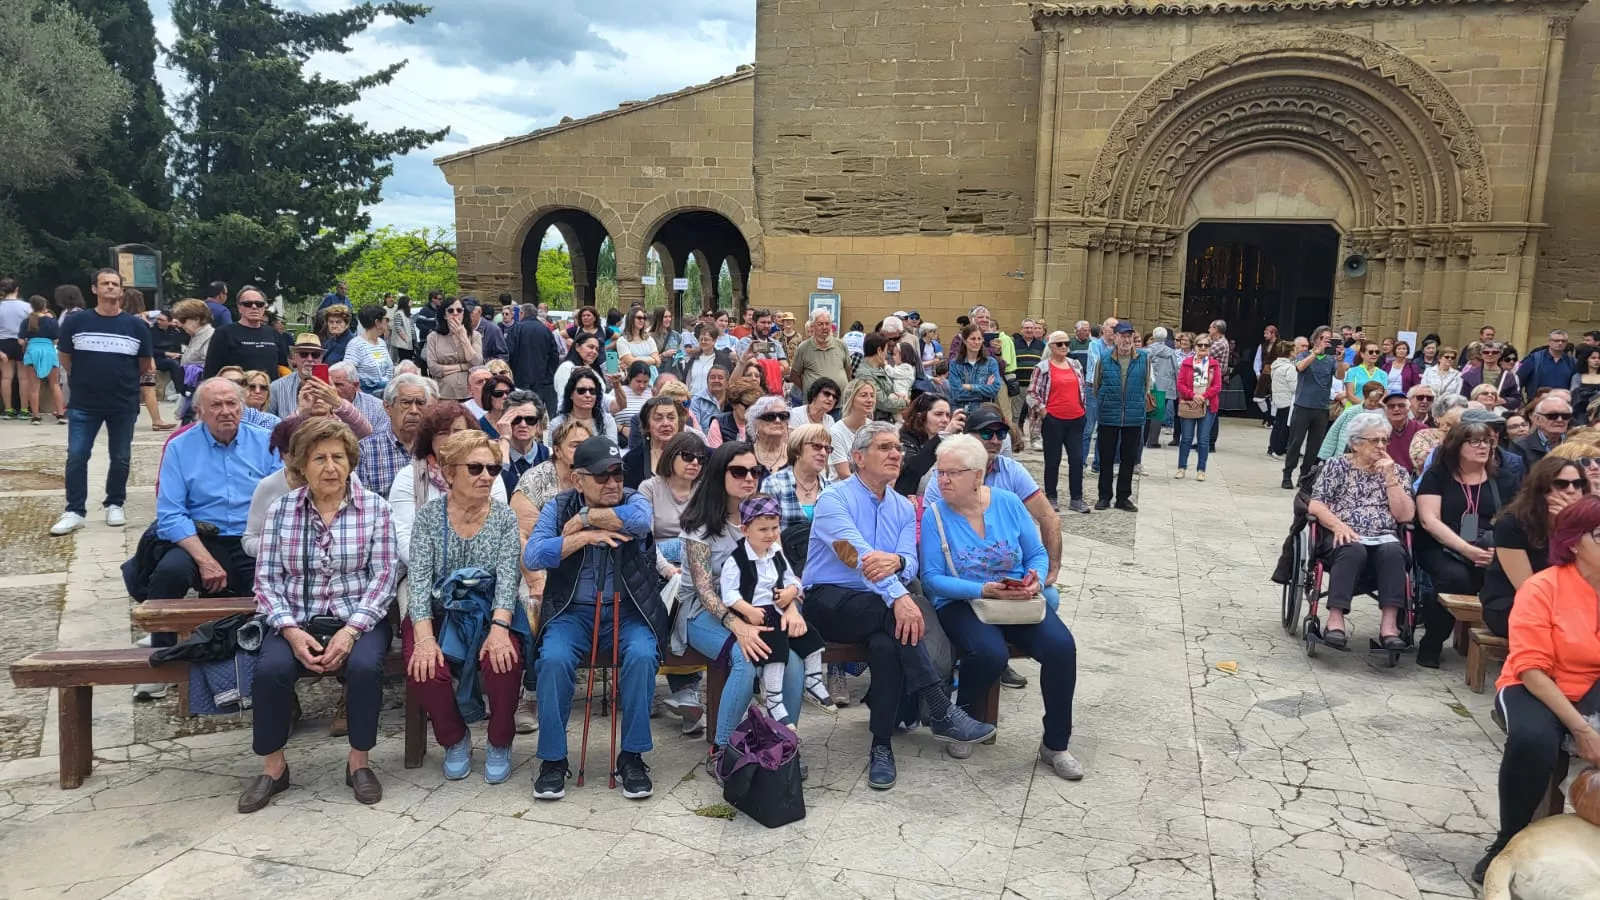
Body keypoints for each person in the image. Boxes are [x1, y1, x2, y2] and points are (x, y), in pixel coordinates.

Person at [803, 422, 995, 789]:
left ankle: (881, 745)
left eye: (897, 448)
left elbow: (910, 560)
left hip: (880, 606)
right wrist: (901, 596)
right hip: (829, 600)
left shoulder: (903, 508)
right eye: (884, 447)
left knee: (887, 643)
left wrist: (899, 567)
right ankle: (940, 708)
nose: (896, 454)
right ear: (858, 458)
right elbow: (858, 558)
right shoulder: (834, 500)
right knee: (895, 614)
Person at [241, 419, 398, 812]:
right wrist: (291, 632)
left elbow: (384, 576)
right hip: (296, 617)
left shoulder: (375, 508)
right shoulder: (281, 511)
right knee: (271, 670)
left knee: (364, 668)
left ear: (350, 462)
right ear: (301, 467)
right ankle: (274, 768)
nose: (330, 467)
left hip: (358, 619)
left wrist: (351, 631)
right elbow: (266, 580)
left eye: (338, 458)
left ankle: (359, 762)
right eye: (319, 459)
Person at [919, 435, 1082, 776]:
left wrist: (1034, 577)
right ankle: (961, 718)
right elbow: (933, 579)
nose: (943, 479)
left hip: (1017, 600)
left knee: (1062, 648)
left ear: (977, 476)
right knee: (990, 652)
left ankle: (1056, 744)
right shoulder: (934, 515)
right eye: (940, 472)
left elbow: (1035, 553)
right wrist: (984, 589)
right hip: (962, 600)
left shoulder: (1008, 502)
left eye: (952, 473)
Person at [525, 435, 667, 801]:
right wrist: (582, 539)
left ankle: (632, 756)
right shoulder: (558, 506)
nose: (613, 483)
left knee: (641, 655)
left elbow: (640, 520)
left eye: (618, 473)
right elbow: (535, 555)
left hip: (629, 610)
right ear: (578, 480)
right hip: (573, 612)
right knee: (553, 660)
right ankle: (553, 760)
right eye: (602, 476)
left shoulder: (633, 499)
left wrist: (587, 517)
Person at [1473, 495, 1600, 884]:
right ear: (1575, 542)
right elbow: (1531, 669)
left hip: (1594, 684)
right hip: (1536, 684)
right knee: (1532, 740)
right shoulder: (1543, 587)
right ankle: (1507, 839)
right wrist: (1581, 728)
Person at [403, 429, 527, 785]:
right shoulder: (429, 516)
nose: (486, 476)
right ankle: (454, 738)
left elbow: (507, 579)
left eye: (493, 469)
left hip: (490, 609)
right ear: (448, 472)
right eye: (475, 468)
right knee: (423, 667)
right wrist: (425, 638)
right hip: (440, 610)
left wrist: (500, 629)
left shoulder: (503, 517)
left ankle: (500, 740)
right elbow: (420, 582)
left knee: (504, 660)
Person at [51, 270, 156, 536]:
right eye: (104, 283)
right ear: (94, 289)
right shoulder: (77, 322)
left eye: (115, 284)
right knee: (77, 455)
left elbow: (143, 362)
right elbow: (65, 357)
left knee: (120, 457)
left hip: (122, 401)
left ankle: (115, 503)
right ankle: (74, 510)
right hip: (84, 402)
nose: (110, 287)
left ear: (121, 290)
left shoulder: (136, 326)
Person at [1306, 412, 1416, 649]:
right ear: (1355, 444)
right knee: (1352, 549)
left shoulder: (1398, 472)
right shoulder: (1336, 466)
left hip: (1383, 535)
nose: (1381, 446)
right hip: (1342, 533)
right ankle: (1335, 619)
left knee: (1394, 553)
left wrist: (1390, 479)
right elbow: (1316, 504)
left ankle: (1389, 625)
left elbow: (1405, 516)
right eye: (1374, 440)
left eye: (1384, 440)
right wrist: (1338, 525)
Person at [1415, 420, 1521, 667]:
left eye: (1486, 441)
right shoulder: (1438, 475)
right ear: (1456, 446)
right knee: (1455, 578)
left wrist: (1500, 548)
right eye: (1474, 441)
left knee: (1509, 576)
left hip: (1489, 545)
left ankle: (1505, 643)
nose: (1482, 446)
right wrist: (1467, 550)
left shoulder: (1503, 478)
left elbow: (1514, 519)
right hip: (1440, 545)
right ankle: (1432, 642)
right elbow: (1429, 520)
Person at [718, 494, 832, 722]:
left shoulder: (776, 553)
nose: (770, 534)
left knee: (810, 636)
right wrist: (747, 609)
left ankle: (814, 679)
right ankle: (773, 698)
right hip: (756, 614)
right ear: (745, 529)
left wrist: (791, 591)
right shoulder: (737, 560)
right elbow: (728, 593)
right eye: (763, 529)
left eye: (774, 528)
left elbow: (793, 579)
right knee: (777, 649)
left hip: (779, 609)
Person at [391, 401, 509, 567]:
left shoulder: (488, 472)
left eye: (458, 431)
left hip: (480, 570)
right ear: (429, 438)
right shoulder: (408, 477)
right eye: (443, 432)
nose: (451, 438)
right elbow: (403, 537)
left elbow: (497, 530)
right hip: (423, 571)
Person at [1482, 456, 1586, 639]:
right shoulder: (1512, 524)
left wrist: (1573, 524)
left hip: (1570, 602)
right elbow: (1528, 588)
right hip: (1514, 603)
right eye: (1561, 484)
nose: (1572, 491)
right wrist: (1564, 529)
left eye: (1578, 484)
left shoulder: (1588, 525)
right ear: (1542, 489)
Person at [1092, 323, 1150, 511]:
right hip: (1109, 414)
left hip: (1133, 416)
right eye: (1122, 336)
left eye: (1129, 336)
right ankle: (1104, 496)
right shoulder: (1105, 358)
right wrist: (1105, 402)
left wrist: (1138, 403)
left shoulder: (1143, 358)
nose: (1126, 340)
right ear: (1114, 337)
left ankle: (1123, 497)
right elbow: (1096, 385)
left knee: (1128, 458)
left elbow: (1146, 384)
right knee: (1106, 458)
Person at [1028, 331, 1089, 512]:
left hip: (1076, 418)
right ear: (1051, 346)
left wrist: (1083, 409)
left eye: (1066, 344)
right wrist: (1043, 411)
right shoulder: (1042, 367)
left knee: (1077, 460)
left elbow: (1082, 387)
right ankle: (1052, 497)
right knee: (1052, 460)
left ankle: (1076, 498)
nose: (1064, 347)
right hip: (1053, 420)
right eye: (1059, 344)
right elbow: (1032, 392)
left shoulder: (1075, 365)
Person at [353, 374, 435, 499]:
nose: (414, 410)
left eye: (420, 403)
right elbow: (362, 503)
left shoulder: (434, 447)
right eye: (406, 403)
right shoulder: (365, 450)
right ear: (387, 408)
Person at [1282, 326, 1340, 489]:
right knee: (1295, 442)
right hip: (1303, 405)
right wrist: (1316, 352)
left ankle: (1305, 475)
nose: (1326, 342)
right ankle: (1287, 474)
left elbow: (1340, 375)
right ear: (1315, 340)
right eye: (1323, 338)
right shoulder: (1304, 354)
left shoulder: (1331, 360)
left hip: (1321, 407)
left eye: (1329, 339)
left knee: (1314, 445)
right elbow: (1300, 367)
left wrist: (1341, 360)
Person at [204, 287, 286, 379]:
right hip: (236, 390)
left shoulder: (273, 333)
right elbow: (211, 371)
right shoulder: (224, 333)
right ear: (239, 307)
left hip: (267, 390)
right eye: (248, 304)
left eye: (259, 304)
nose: (254, 307)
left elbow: (283, 366)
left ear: (264, 307)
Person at [1175, 332, 1224, 481]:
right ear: (1194, 346)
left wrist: (1203, 396)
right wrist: (1193, 395)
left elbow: (1217, 386)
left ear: (1210, 347)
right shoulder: (1187, 363)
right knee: (1186, 438)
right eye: (1200, 345)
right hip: (1189, 403)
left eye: (1206, 345)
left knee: (1203, 439)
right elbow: (1180, 383)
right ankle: (1181, 467)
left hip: (1207, 405)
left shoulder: (1214, 365)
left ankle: (1201, 469)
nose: (1203, 347)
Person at [896, 393, 962, 499]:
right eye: (938, 414)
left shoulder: (951, 442)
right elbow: (913, 470)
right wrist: (942, 436)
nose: (945, 420)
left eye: (947, 415)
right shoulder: (904, 438)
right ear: (920, 416)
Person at [423, 296, 484, 401]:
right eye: (451, 310)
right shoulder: (433, 337)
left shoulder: (475, 336)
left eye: (459, 310)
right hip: (444, 395)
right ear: (445, 315)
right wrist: (463, 367)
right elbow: (433, 368)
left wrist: (463, 338)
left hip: (470, 394)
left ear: (463, 313)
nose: (455, 313)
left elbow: (477, 364)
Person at [505, 304, 561, 412]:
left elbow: (509, 353)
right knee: (537, 412)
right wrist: (549, 375)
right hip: (542, 380)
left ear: (522, 313)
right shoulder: (546, 331)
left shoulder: (516, 329)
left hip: (520, 380)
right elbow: (554, 355)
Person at [622, 396, 686, 489]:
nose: (666, 423)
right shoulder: (632, 459)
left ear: (679, 423)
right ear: (647, 425)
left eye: (671, 417)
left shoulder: (693, 453)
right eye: (658, 418)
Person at [19, 294, 63, 426]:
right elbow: (57, 339)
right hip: (49, 351)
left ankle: (36, 417)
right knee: (54, 384)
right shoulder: (52, 321)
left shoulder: (26, 321)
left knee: (34, 386)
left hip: (32, 351)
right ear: (45, 306)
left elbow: (21, 340)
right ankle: (60, 414)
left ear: (31, 307)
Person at [1319, 381, 1389, 462]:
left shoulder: (1384, 413)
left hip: (1375, 454)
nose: (1373, 404)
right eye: (1370, 400)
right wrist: (1326, 455)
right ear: (1364, 396)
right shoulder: (1352, 411)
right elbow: (1334, 432)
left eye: (1376, 401)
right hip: (1349, 453)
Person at [789, 307, 851, 395]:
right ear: (813, 326)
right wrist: (808, 391)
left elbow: (848, 370)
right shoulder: (803, 348)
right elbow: (794, 376)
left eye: (827, 324)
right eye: (820, 324)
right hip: (814, 404)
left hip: (839, 404)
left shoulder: (841, 345)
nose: (824, 327)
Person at [551, 366, 619, 443]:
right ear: (570, 394)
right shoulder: (557, 423)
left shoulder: (607, 421)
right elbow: (555, 453)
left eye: (592, 391)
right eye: (581, 390)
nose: (588, 395)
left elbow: (613, 451)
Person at [828, 378, 878, 480]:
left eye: (872, 396)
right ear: (851, 398)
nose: (869, 400)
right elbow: (844, 474)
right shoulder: (836, 432)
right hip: (842, 489)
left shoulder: (874, 429)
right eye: (864, 395)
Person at [948, 323, 1000, 414]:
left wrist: (971, 387)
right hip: (962, 414)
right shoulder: (955, 364)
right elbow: (956, 394)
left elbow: (994, 390)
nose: (976, 342)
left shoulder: (991, 363)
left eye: (979, 339)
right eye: (972, 339)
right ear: (964, 340)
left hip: (985, 414)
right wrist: (985, 389)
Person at [328, 361, 389, 433]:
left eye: (338, 385)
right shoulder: (319, 405)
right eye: (329, 384)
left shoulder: (377, 408)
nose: (332, 388)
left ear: (355, 385)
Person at [345, 304, 394, 394]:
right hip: (367, 398)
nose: (388, 322)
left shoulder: (381, 343)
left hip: (386, 396)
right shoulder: (356, 345)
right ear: (377, 322)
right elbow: (347, 374)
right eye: (386, 319)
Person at [705, 376, 762, 448]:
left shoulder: (759, 424)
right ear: (734, 404)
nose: (750, 410)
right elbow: (717, 456)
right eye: (746, 406)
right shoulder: (718, 424)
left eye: (753, 407)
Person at [1516, 394, 1571, 466]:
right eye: (1552, 416)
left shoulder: (1576, 443)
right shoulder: (1520, 446)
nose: (1560, 420)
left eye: (1565, 416)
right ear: (1537, 419)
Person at [1518, 329, 1578, 394]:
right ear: (1549, 342)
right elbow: (1518, 380)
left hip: (1562, 401)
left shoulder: (1571, 362)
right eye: (1556, 340)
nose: (1560, 343)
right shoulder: (1535, 359)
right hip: (1538, 401)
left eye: (1563, 341)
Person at [609, 360, 654, 436]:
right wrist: (622, 429)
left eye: (645, 382)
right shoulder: (617, 391)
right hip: (621, 438)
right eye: (638, 381)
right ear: (630, 378)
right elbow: (605, 417)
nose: (642, 385)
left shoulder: (652, 393)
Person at [1341, 341, 1387, 407]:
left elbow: (1384, 394)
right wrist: (1366, 405)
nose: (1374, 354)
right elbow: (1350, 395)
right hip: (1355, 409)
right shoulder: (1352, 371)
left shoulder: (1383, 374)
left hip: (1375, 409)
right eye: (1371, 352)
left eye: (1377, 352)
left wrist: (1374, 405)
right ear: (1362, 354)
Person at [387, 294, 415, 363]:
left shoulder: (406, 313)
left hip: (409, 342)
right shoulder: (399, 313)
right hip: (403, 343)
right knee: (404, 360)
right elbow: (398, 327)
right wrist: (407, 339)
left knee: (409, 360)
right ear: (405, 302)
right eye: (410, 301)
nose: (412, 302)